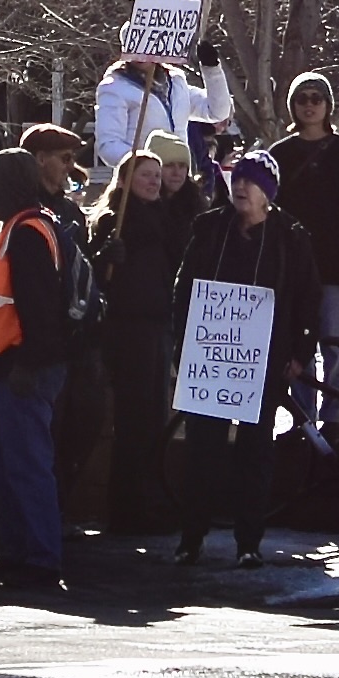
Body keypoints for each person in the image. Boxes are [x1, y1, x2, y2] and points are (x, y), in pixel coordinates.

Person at [168, 154, 312, 567]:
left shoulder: (291, 237)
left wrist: (301, 353)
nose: (241, 187)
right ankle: (191, 539)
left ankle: (249, 543)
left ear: (269, 194)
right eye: (238, 179)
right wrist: (183, 343)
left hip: (264, 361)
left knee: (255, 451)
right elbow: (185, 287)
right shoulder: (211, 228)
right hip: (211, 359)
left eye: (252, 182)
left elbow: (308, 297)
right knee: (203, 450)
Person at [0, 147, 84, 585]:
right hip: (14, 364)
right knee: (5, 465)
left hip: (25, 367)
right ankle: (20, 551)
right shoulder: (32, 225)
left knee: (25, 465)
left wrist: (28, 364)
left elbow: (39, 309)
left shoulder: (25, 233)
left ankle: (40, 558)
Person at [94, 129, 202, 536]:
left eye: (157, 175)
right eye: (146, 175)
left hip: (158, 323)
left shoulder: (165, 217)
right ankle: (127, 506)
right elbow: (96, 272)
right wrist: (106, 255)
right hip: (128, 327)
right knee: (134, 421)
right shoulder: (114, 219)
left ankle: (148, 499)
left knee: (155, 418)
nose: (155, 181)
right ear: (125, 180)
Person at [267, 73, 339, 434]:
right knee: (298, 350)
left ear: (328, 105)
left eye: (316, 98)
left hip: (335, 268)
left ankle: (334, 418)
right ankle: (303, 420)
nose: (309, 105)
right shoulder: (279, 154)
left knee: (336, 349)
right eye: (302, 98)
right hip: (292, 271)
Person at [89, 57, 190, 192]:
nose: (141, 54)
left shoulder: (176, 82)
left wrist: (211, 68)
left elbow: (214, 112)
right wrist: (147, 165)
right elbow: (108, 145)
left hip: (178, 184)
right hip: (141, 186)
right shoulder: (115, 87)